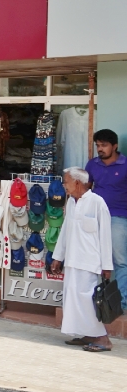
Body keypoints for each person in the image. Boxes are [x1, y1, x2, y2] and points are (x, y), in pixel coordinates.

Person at [51, 167, 115, 352]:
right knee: (74, 299)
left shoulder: (97, 203)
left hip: (90, 262)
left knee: (87, 300)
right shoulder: (71, 202)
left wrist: (106, 265)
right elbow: (65, 231)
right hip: (72, 260)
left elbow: (105, 235)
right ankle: (87, 334)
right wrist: (58, 257)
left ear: (77, 183)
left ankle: (103, 339)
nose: (64, 185)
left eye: (66, 182)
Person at [86, 128, 127, 310]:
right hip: (94, 218)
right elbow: (86, 189)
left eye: (104, 145)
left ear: (115, 146)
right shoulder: (92, 164)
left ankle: (122, 303)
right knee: (94, 259)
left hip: (118, 217)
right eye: (98, 146)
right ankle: (97, 300)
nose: (100, 149)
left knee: (119, 261)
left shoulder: (125, 164)